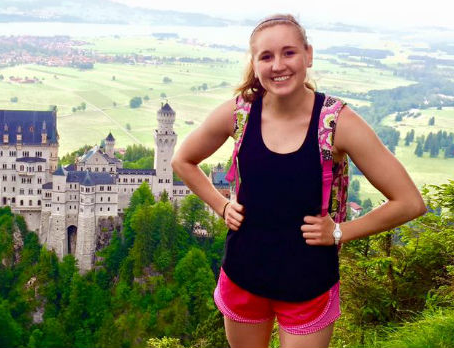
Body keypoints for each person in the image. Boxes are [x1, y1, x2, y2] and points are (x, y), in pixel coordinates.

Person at [170, 14, 427, 348]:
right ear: (255, 63)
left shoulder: (335, 122)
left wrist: (339, 231)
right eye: (266, 56)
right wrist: (221, 206)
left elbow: (409, 202)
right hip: (243, 274)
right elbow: (182, 160)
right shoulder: (240, 113)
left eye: (288, 53)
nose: (278, 65)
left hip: (308, 283)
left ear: (308, 54)